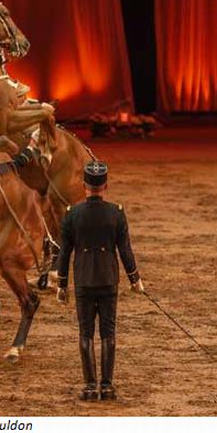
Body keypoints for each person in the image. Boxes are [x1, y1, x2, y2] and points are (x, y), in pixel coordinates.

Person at [56, 160, 145, 401]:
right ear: (105, 185)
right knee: (108, 333)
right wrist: (134, 278)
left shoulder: (72, 214)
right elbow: (125, 249)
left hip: (84, 280)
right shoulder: (116, 212)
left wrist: (62, 284)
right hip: (108, 279)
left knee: (85, 334)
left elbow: (64, 253)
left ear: (84, 185)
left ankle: (89, 386)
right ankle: (107, 386)